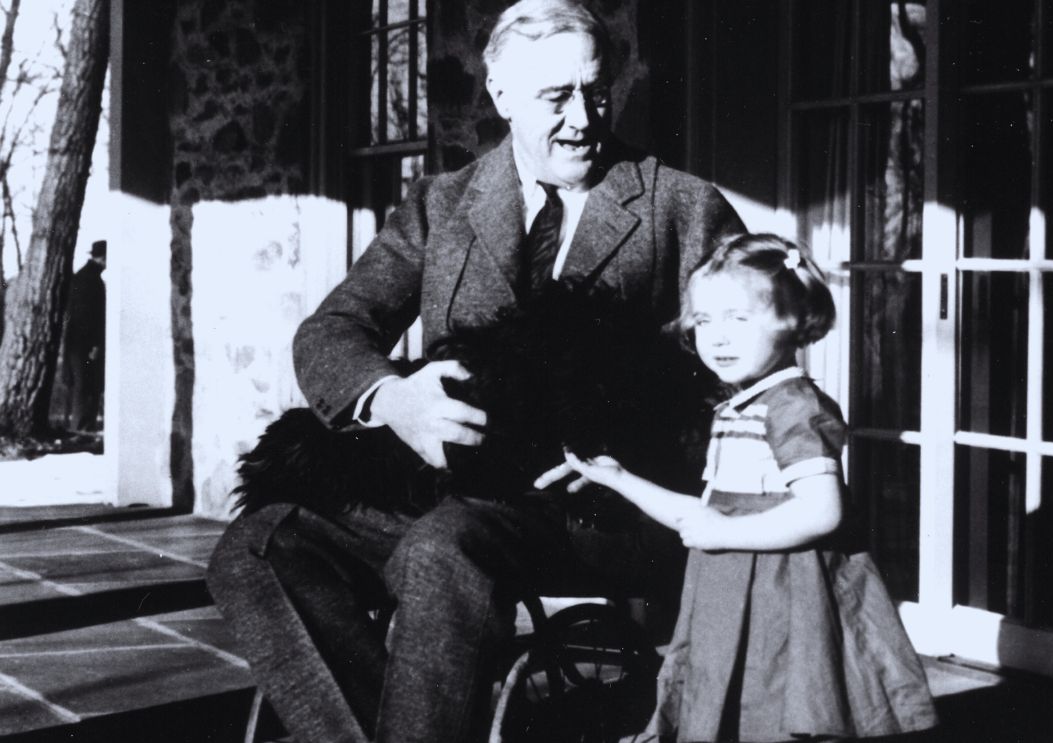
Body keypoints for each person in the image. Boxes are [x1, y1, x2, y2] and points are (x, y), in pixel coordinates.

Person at [205, 1, 744, 742]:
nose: (583, 119)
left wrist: (636, 452)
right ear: (500, 96)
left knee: (442, 549)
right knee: (260, 545)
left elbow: (735, 388)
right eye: (555, 98)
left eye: (594, 91)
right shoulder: (441, 204)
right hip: (444, 484)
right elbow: (331, 331)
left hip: (592, 506)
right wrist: (391, 398)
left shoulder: (681, 209)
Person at [562, 234, 940, 742]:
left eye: (738, 320)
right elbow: (701, 516)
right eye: (704, 321)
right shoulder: (739, 406)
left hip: (784, 596)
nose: (717, 338)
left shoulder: (793, 408)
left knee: (772, 708)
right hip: (727, 593)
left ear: (793, 319)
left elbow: (821, 512)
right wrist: (618, 478)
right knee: (728, 705)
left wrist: (723, 534)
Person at [56, 239, 106, 431]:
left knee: (83, 388)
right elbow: (86, 317)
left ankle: (81, 428)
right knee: (85, 389)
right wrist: (94, 345)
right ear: (103, 258)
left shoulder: (83, 277)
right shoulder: (90, 280)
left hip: (77, 343)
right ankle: (81, 430)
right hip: (84, 345)